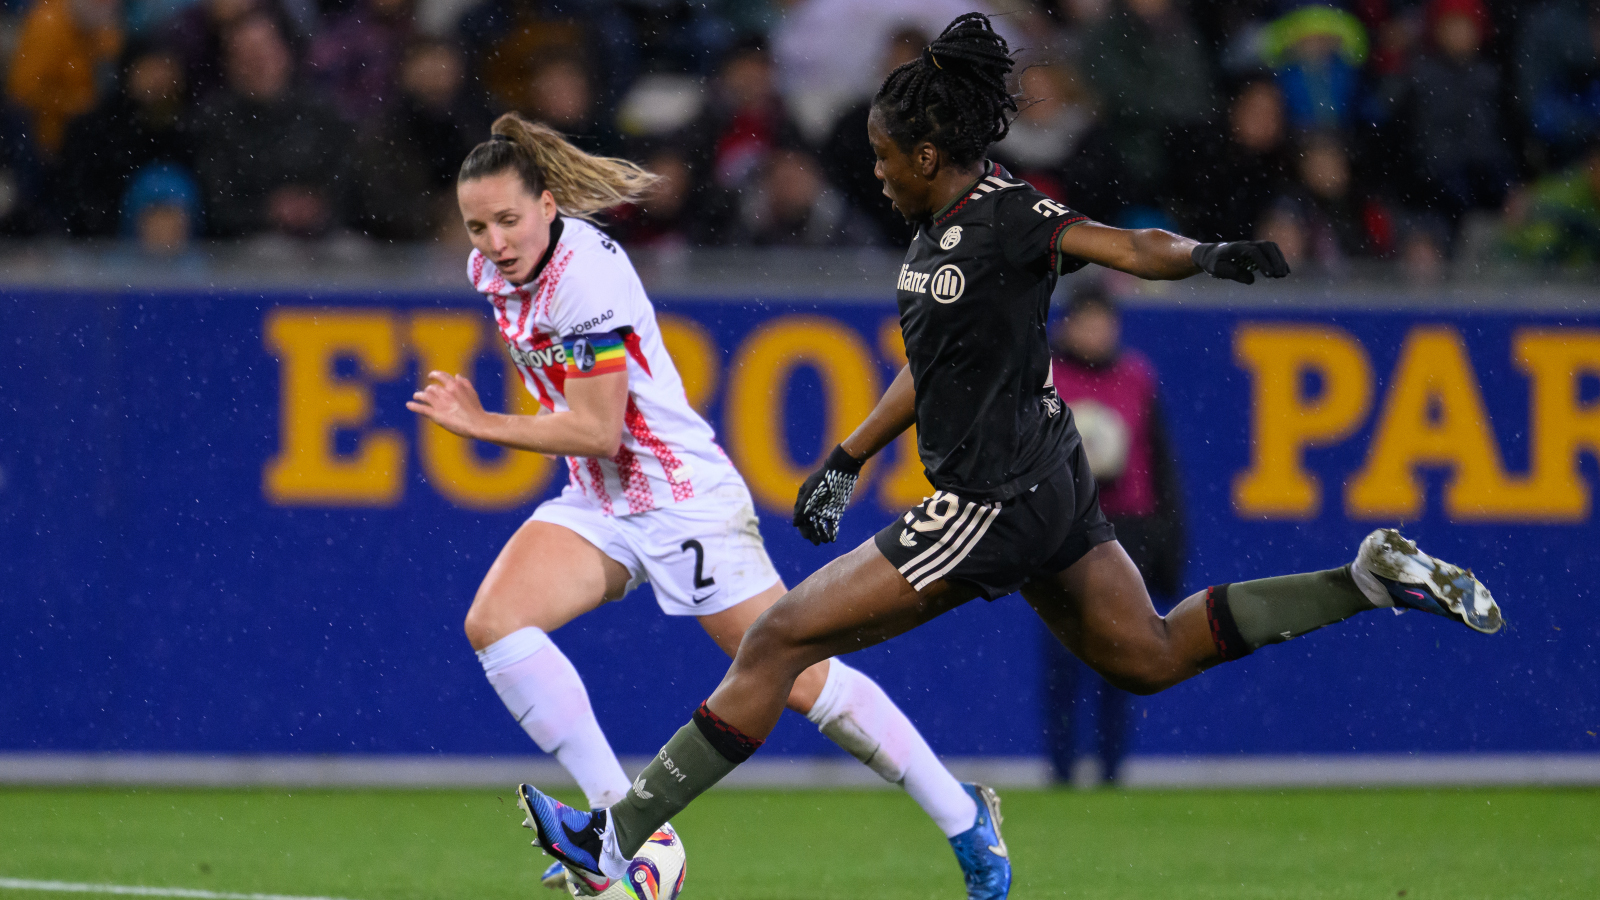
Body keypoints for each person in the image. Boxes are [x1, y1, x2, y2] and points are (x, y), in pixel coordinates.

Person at [515, 14, 1504, 900]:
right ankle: (1365, 579)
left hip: (993, 497)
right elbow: (933, 363)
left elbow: (1123, 243)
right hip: (1043, 482)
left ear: (931, 152)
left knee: (776, 639)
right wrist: (847, 456)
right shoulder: (940, 229)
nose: (876, 170)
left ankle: (615, 839)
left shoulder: (1005, 216)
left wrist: (1204, 257)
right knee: (1148, 657)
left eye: (885, 155)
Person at [406, 112, 997, 897]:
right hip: (602, 499)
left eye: (509, 220)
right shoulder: (494, 272)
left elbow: (597, 424)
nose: (493, 241)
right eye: (477, 225)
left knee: (801, 678)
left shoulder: (583, 275)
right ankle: (622, 830)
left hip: (681, 498)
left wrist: (482, 425)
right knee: (495, 623)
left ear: (550, 206)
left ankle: (961, 815)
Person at [1042, 283, 1186, 786]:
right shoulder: (1048, 376)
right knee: (1062, 657)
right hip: (1062, 528)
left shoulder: (1136, 377)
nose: (1096, 332)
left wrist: (1168, 542)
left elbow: (1161, 464)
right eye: (1086, 321)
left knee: (1123, 656)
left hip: (1127, 528)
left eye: (1104, 322)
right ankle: (1061, 771)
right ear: (1067, 326)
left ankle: (1111, 771)